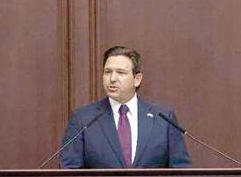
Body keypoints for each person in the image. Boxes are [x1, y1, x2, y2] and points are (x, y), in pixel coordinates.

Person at [59, 46, 191, 168]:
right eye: (107, 72)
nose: (112, 78)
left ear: (137, 79)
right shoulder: (83, 119)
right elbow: (69, 174)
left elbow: (181, 173)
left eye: (120, 73)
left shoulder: (163, 119)